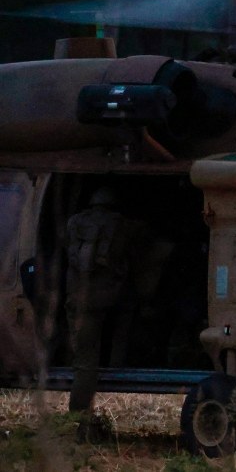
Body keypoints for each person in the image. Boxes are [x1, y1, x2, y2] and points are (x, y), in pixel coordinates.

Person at [63, 186, 146, 437]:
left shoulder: (75, 223)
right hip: (111, 298)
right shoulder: (123, 226)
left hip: (80, 300)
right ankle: (118, 363)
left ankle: (79, 421)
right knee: (124, 321)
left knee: (84, 363)